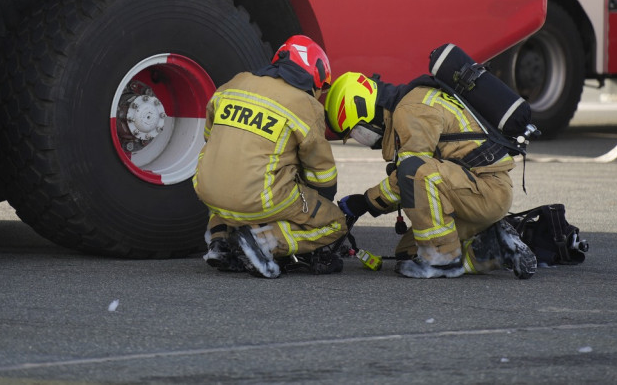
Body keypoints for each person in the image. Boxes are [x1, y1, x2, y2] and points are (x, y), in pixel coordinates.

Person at [323, 71, 536, 279]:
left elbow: (413, 174)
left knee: (412, 171)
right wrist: (368, 203)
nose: (363, 141)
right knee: (408, 253)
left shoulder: (411, 109)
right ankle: (493, 248)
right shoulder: (409, 104)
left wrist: (367, 202)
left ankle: (442, 260)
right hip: (472, 191)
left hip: (486, 191)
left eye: (359, 133)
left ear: (366, 110)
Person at [193, 35, 347, 278]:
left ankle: (221, 241)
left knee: (229, 171)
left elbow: (210, 138)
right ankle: (266, 242)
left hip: (207, 189)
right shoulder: (306, 105)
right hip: (260, 198)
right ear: (315, 76)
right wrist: (321, 203)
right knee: (335, 222)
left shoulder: (234, 83)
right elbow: (321, 172)